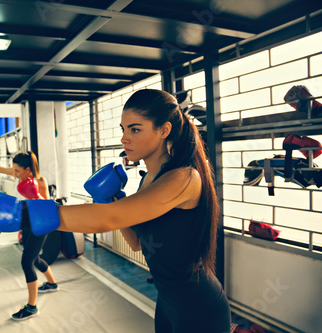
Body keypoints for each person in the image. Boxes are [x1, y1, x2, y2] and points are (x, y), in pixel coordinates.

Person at [55, 89, 231, 332]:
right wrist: (111, 200)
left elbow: (108, 219)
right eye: (123, 129)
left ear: (164, 130)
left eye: (135, 129)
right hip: (167, 302)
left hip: (198, 308)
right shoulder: (148, 179)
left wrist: (27, 215)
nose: (124, 138)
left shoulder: (184, 178)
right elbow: (138, 242)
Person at [0, 151, 59, 321]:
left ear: (27, 170)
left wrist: (36, 195)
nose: (14, 174)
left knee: (26, 262)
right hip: (26, 222)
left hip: (40, 223)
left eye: (18, 171)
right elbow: (1, 169)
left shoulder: (40, 181)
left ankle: (32, 307)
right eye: (14, 170)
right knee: (34, 258)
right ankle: (52, 284)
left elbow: (47, 205)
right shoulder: (18, 176)